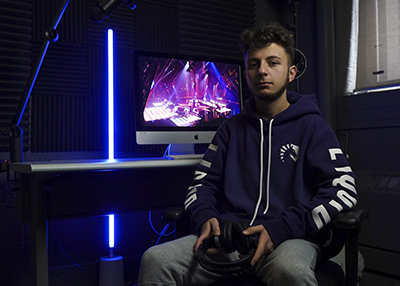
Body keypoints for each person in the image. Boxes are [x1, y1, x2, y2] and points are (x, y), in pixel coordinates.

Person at [138, 22, 358, 286]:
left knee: (291, 271)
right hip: (230, 240)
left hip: (286, 238)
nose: (262, 71)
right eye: (253, 64)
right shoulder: (228, 130)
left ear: (291, 72)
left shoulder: (313, 127)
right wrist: (206, 216)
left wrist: (284, 226)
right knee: (155, 260)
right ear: (246, 74)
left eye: (272, 62)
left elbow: (343, 189)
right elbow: (201, 185)